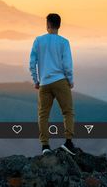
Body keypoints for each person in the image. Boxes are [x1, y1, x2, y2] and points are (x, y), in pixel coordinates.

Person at [29, 13, 76, 155]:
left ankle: (45, 146)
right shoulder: (64, 42)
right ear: (59, 25)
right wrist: (70, 80)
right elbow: (67, 65)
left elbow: (32, 63)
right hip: (60, 81)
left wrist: (36, 80)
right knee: (68, 112)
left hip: (44, 83)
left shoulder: (38, 40)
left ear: (47, 24)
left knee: (43, 114)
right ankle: (68, 142)